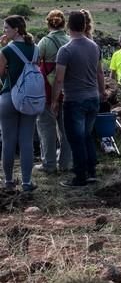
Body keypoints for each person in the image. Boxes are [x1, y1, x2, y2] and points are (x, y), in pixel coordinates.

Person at [52, 11, 106, 187]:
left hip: (74, 100)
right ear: (84, 25)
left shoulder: (66, 50)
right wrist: (102, 92)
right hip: (93, 98)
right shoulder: (94, 47)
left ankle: (80, 177)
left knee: (76, 139)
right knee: (86, 136)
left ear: (68, 26)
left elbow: (59, 79)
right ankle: (91, 172)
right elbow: (100, 72)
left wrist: (53, 101)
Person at [0, 15, 39, 192]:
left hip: (9, 97)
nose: (4, 31)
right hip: (30, 98)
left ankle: (8, 182)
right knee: (26, 141)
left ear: (16, 29)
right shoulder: (36, 48)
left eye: (6, 28)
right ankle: (27, 182)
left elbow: (1, 75)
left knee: (8, 141)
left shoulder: (7, 50)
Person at [35, 10, 72, 175]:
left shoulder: (44, 41)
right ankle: (65, 163)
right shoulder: (69, 40)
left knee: (46, 127)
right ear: (64, 23)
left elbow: (35, 62)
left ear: (48, 23)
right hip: (67, 89)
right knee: (65, 129)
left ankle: (49, 164)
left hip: (47, 91)